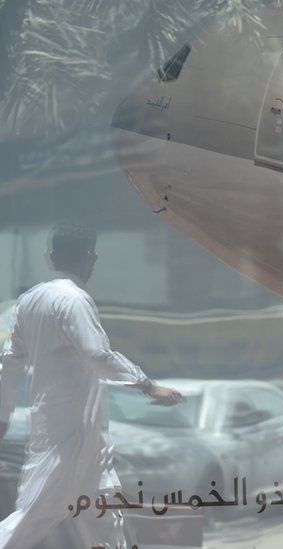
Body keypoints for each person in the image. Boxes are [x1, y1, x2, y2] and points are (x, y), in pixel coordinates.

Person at [0, 223, 183, 549]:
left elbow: (10, 364)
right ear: (91, 257)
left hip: (73, 435)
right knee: (28, 522)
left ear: (50, 256)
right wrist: (147, 386)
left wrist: (2, 417)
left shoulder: (29, 302)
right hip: (69, 437)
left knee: (106, 517)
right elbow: (96, 354)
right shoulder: (73, 300)